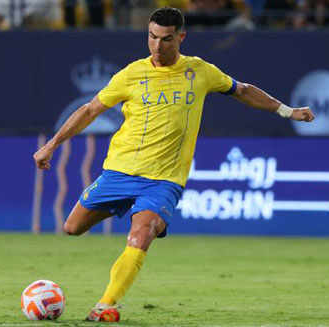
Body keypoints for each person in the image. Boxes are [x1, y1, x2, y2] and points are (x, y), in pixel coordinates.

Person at [33, 6, 314, 322]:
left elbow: (243, 91)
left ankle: (105, 305)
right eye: (152, 37)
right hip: (120, 171)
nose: (157, 45)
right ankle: (150, 219)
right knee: (72, 228)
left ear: (181, 37)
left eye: (166, 39)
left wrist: (287, 112)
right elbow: (89, 110)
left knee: (141, 235)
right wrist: (52, 144)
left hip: (164, 180)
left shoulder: (201, 72)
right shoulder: (131, 74)